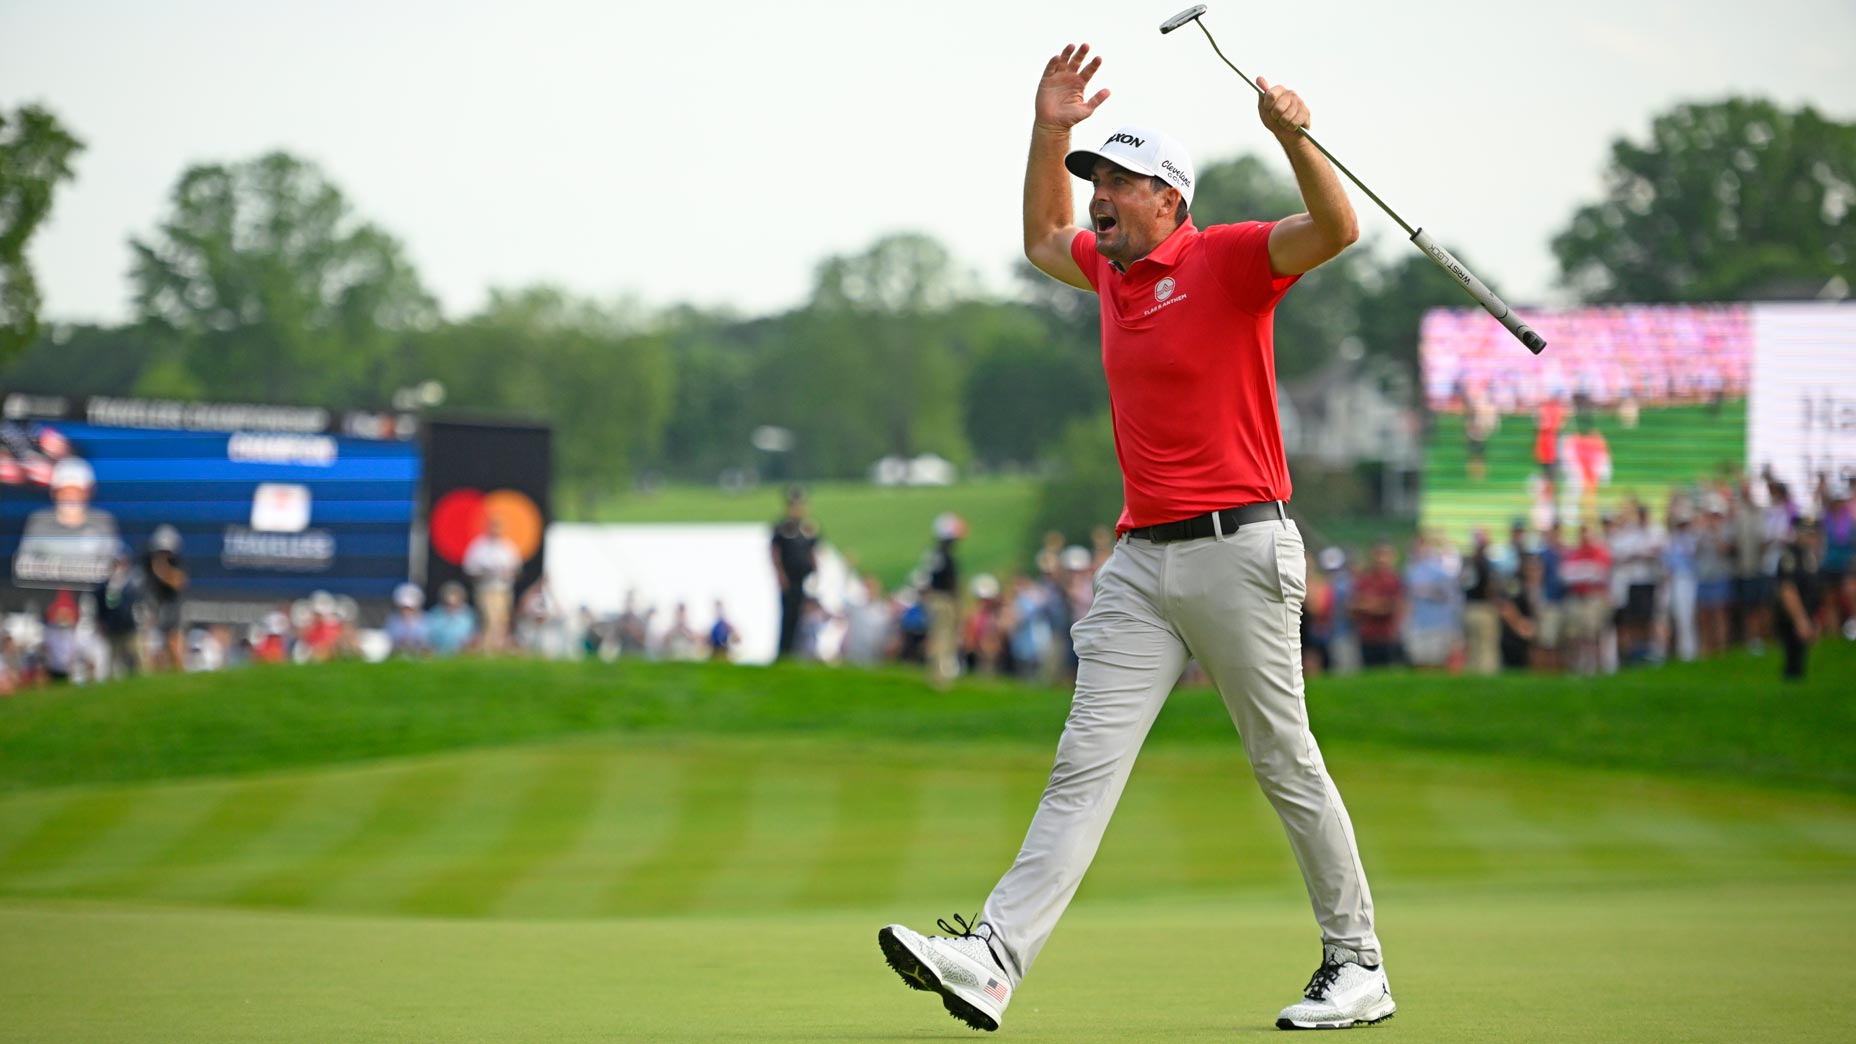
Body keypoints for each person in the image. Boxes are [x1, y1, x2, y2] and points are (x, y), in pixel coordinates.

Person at [879, 44, 1392, 1034]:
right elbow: (1039, 234)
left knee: (1283, 760)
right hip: (1141, 563)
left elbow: (1335, 227)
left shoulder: (1228, 258)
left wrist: (1294, 139)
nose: (1097, 198)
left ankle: (1356, 961)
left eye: (1115, 181)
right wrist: (1049, 128)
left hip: (1240, 549)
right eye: (1095, 180)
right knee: (1083, 761)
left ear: (1169, 197)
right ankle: (991, 960)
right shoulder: (1109, 276)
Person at [770, 486, 820, 659]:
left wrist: (816, 573)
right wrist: (780, 575)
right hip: (789, 578)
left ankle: (800, 652)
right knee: (789, 615)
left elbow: (814, 550)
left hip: (804, 578)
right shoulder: (782, 528)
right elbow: (775, 553)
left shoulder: (808, 528)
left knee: (803, 617)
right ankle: (785, 651)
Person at [1772, 515, 1823, 681]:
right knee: (1793, 658)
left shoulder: (1809, 556)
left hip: (1805, 612)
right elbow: (1788, 590)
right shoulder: (1790, 557)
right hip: (1791, 616)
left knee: (1801, 659)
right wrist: (1800, 620)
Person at [462, 516, 521, 653]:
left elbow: (517, 570)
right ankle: (487, 648)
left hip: (503, 589)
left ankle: (497, 648)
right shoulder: (479, 547)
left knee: (501, 619)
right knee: (489, 618)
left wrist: (506, 573)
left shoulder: (508, 547)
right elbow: (469, 569)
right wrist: (485, 573)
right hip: (485, 589)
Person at [922, 512, 966, 688]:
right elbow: (949, 581)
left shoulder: (935, 553)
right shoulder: (943, 554)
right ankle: (940, 678)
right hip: (944, 599)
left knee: (943, 637)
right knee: (943, 637)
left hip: (938, 599)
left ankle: (940, 674)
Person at [142, 524, 189, 671]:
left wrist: (162, 568)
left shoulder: (176, 564)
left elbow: (179, 582)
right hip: (154, 607)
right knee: (152, 647)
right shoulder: (147, 563)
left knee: (173, 641)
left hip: (171, 607)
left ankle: (179, 671)